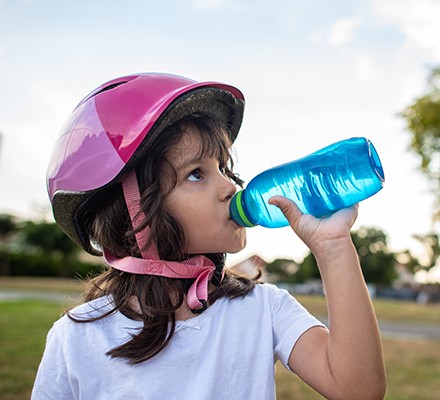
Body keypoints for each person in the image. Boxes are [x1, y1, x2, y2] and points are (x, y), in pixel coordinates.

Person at [32, 73, 386, 400]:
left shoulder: (263, 309)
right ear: (133, 214)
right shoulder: (77, 339)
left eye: (223, 167)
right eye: (197, 174)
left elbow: (358, 388)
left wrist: (334, 247)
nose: (230, 185)